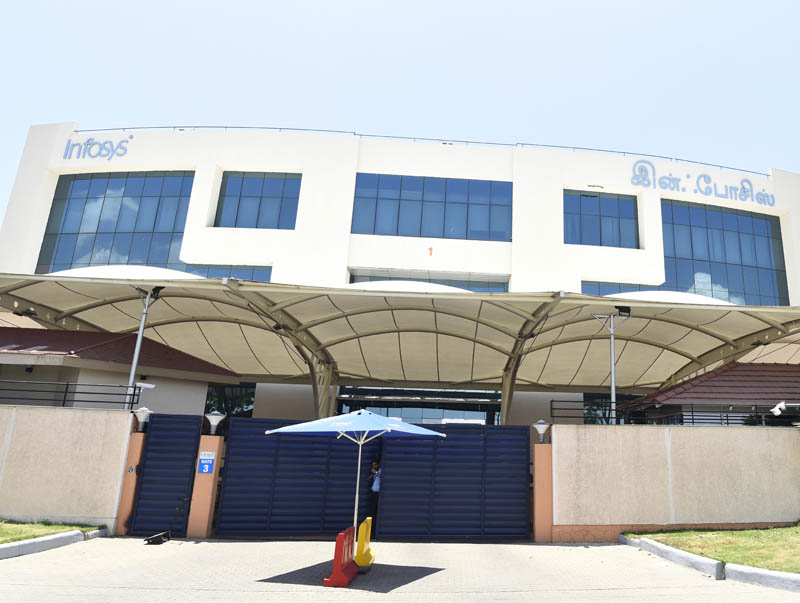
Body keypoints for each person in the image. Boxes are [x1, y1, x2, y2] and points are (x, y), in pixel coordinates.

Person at [368, 459, 381, 536]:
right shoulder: (376, 472)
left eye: (375, 465)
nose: (374, 466)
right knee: (371, 511)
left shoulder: (381, 470)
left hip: (377, 494)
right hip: (373, 493)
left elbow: (381, 476)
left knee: (373, 511)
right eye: (373, 465)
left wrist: (375, 472)